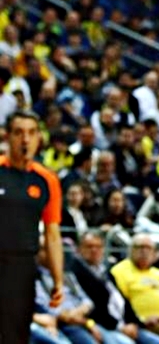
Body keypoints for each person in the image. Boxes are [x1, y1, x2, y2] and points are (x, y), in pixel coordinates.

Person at [0, 109, 64, 343]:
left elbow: (52, 234)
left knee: (16, 335)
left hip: (23, 266)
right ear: (7, 136)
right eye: (18, 133)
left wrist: (58, 279)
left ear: (38, 138)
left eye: (31, 133)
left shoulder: (47, 180)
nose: (25, 139)